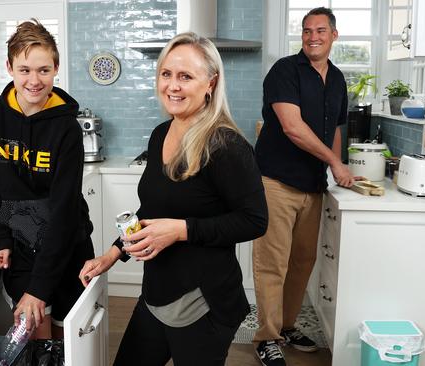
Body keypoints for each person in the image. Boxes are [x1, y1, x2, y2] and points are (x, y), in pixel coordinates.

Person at [79, 32, 268, 366]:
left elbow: (255, 220)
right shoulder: (160, 135)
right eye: (166, 74)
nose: (172, 85)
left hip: (202, 301)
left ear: (211, 82)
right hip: (157, 291)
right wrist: (113, 253)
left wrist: (181, 230)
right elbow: (151, 211)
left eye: (185, 76)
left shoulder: (226, 146)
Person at [0, 19, 93, 365]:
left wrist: (40, 288)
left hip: (66, 240)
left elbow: (64, 209)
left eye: (44, 69)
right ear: (9, 67)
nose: (34, 80)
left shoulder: (66, 128)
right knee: (33, 329)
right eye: (24, 69)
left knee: (67, 332)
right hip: (22, 246)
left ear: (56, 68)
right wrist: (4, 238)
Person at [251, 7, 355, 366]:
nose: (313, 37)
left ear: (334, 36)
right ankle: (266, 338)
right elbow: (293, 128)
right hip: (276, 182)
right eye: (307, 31)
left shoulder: (338, 79)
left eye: (320, 31)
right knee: (272, 264)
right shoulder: (284, 71)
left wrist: (333, 173)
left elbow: (336, 130)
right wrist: (336, 163)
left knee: (302, 261)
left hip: (313, 186)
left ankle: (287, 325)